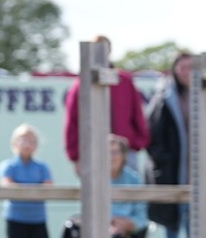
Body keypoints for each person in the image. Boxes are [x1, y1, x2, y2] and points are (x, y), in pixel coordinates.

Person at [63, 34, 150, 175]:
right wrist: (75, 156)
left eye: (103, 49)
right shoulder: (80, 84)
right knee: (94, 194)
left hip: (125, 153)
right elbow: (72, 122)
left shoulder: (124, 81)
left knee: (128, 194)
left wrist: (137, 142)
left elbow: (137, 114)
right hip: (91, 152)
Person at [146, 51, 193, 238]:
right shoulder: (163, 97)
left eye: (191, 67)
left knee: (195, 226)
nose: (186, 72)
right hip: (172, 172)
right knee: (172, 226)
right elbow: (152, 134)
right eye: (182, 67)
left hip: (196, 173)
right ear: (174, 69)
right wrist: (163, 162)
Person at [109, 134, 149, 238]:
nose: (113, 156)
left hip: (129, 235)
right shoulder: (94, 178)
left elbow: (141, 217)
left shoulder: (134, 179)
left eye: (116, 152)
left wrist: (126, 224)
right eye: (108, 152)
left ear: (124, 155)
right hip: (104, 233)